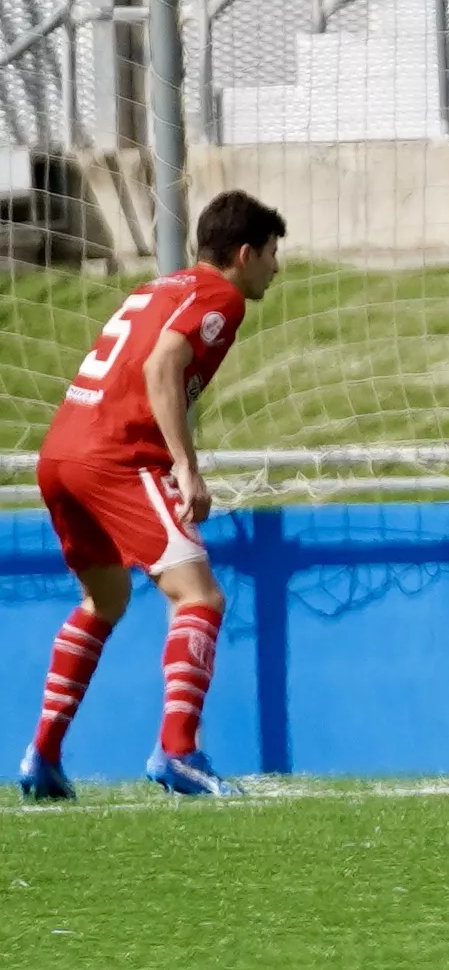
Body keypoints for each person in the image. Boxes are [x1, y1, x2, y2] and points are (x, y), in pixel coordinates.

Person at [22, 190, 286, 800]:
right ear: (244, 254)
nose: (276, 267)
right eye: (272, 254)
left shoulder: (159, 287)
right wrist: (186, 468)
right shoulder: (220, 296)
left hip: (61, 451)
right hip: (115, 455)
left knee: (104, 597)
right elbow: (162, 366)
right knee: (200, 595)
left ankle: (43, 754)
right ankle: (178, 750)